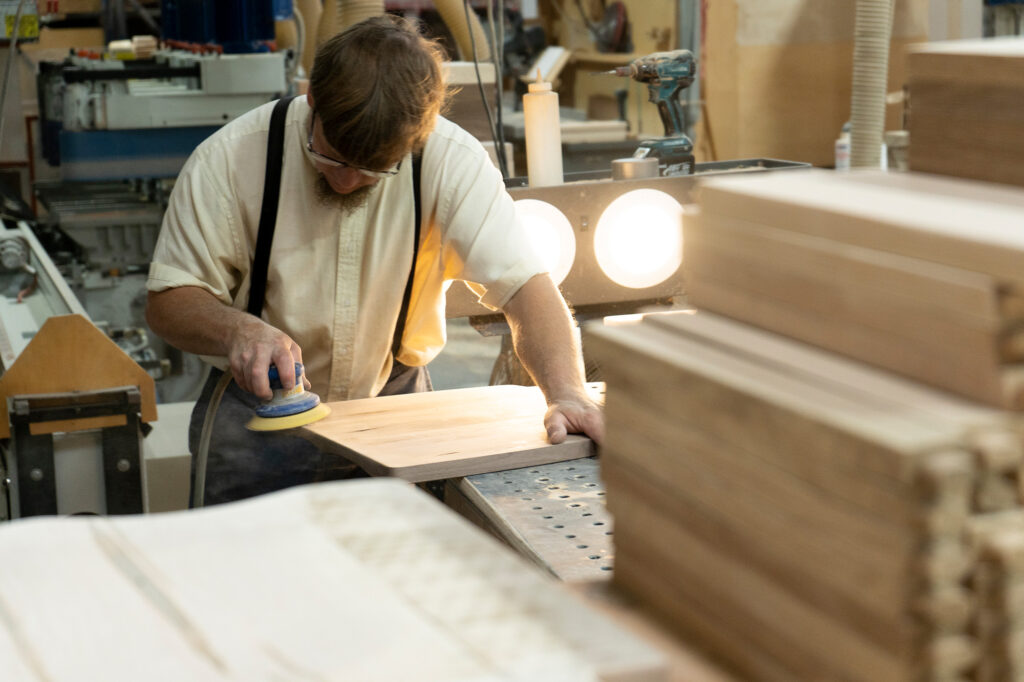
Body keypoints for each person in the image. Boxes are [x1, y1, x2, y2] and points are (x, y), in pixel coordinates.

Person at [145, 15, 603, 505]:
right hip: (257, 420)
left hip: (396, 412)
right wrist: (238, 330)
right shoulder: (231, 159)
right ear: (313, 101)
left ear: (418, 136)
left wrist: (567, 393)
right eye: (332, 159)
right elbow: (169, 300)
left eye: (371, 170)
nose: (345, 182)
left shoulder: (451, 161)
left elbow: (526, 291)